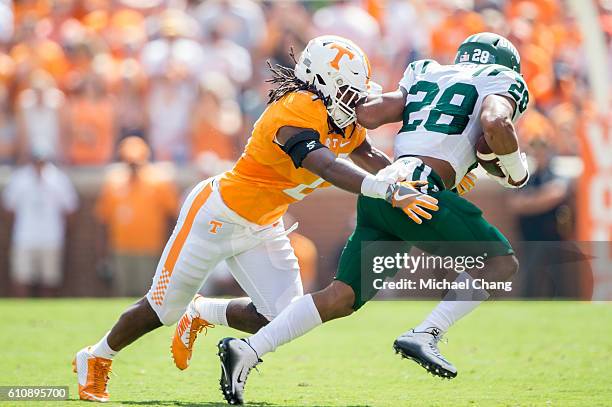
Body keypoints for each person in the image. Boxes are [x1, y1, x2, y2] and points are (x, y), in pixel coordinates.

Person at [72, 36, 438, 402]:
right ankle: (96, 356)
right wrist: (386, 190)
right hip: (216, 215)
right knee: (163, 307)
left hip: (264, 225)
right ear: (321, 82)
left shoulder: (340, 116)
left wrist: (406, 178)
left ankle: (203, 311)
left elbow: (366, 152)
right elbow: (325, 165)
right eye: (347, 91)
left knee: (282, 316)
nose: (355, 100)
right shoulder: (295, 110)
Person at [219, 32, 531, 405]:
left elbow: (367, 114)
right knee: (501, 263)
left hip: (383, 188)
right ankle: (428, 332)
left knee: (341, 297)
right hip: (417, 190)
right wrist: (515, 170)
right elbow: (497, 124)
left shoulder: (427, 71)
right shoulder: (501, 79)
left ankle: (248, 351)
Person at [95, 136, 179, 297]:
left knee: (147, 296)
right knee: (122, 295)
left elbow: (173, 218)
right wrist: (102, 255)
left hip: (149, 249)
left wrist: (170, 250)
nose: (133, 166)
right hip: (121, 248)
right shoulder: (113, 182)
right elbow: (103, 221)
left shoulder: (159, 182)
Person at [2, 147, 78, 297]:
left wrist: (63, 232)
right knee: (21, 278)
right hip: (25, 237)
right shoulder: (19, 179)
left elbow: (70, 210)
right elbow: (8, 209)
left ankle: (46, 316)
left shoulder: (58, 179)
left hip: (51, 238)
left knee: (50, 281)